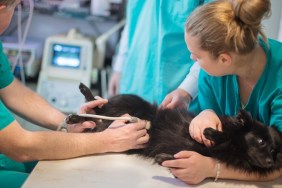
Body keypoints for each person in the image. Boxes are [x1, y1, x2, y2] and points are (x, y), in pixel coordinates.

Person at [0, 1, 149, 187]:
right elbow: (21, 146)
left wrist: (66, 124)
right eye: (15, 8)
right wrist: (106, 140)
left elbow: (13, 92)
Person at [161, 0, 282, 184]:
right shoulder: (212, 75)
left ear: (224, 59)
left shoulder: (278, 81)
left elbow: (277, 164)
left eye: (197, 56)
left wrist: (212, 168)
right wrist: (206, 113)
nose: (192, 59)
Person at [108, 0, 213, 109]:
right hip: (136, 76)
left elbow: (213, 42)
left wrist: (187, 90)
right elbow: (132, 19)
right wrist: (119, 68)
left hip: (182, 87)